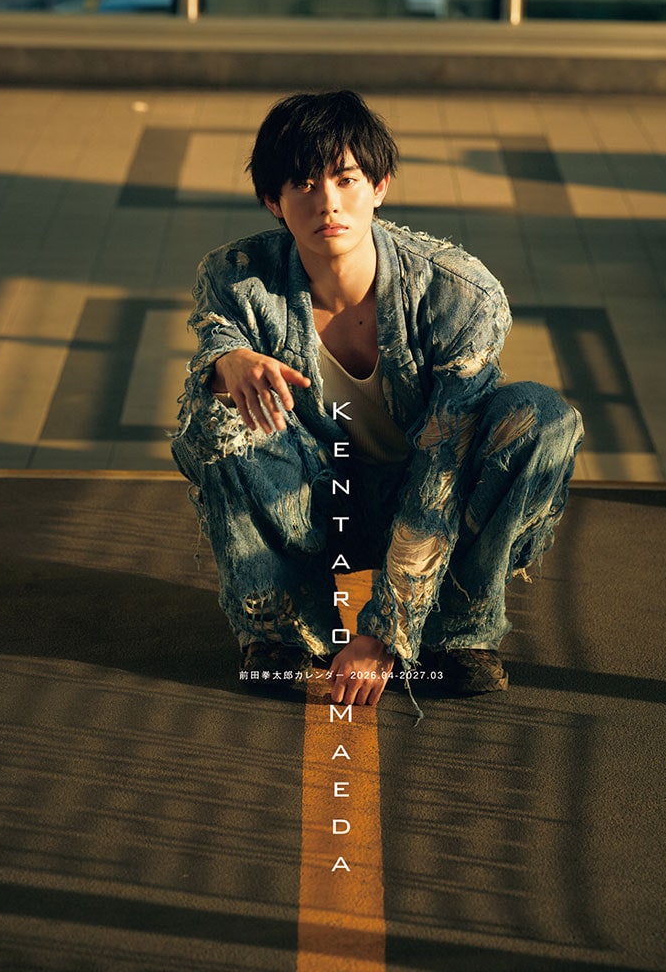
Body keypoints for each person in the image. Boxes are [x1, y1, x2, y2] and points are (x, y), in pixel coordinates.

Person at [170, 91, 583, 715]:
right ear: (273, 201)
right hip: (316, 502)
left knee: (542, 419)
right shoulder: (236, 275)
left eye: (346, 179)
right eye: (304, 184)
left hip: (426, 495)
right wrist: (227, 364)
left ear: (379, 186)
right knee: (218, 412)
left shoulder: (458, 292)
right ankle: (282, 625)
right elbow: (216, 344)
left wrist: (386, 630)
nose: (328, 203)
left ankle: (458, 630)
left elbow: (444, 467)